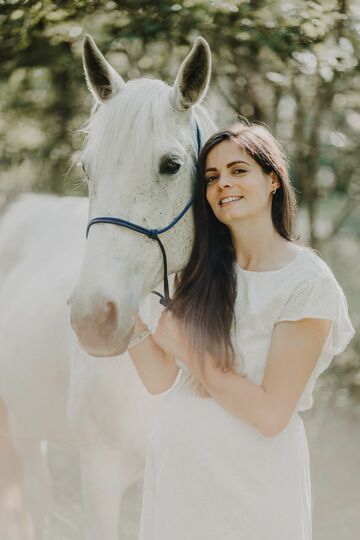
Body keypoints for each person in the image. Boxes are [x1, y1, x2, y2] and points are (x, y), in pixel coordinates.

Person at [128, 121, 355, 540]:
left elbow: (270, 414)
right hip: (179, 479)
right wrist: (125, 323)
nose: (222, 184)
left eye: (238, 170)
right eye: (212, 177)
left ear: (272, 180)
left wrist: (192, 350)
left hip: (252, 485)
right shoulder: (198, 272)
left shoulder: (307, 284)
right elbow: (160, 378)